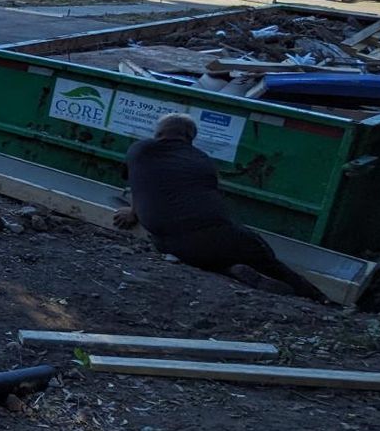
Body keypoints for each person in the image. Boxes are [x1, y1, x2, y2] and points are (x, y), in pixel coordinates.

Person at [117, 113, 323, 299]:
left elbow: (137, 182)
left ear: (159, 133)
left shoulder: (139, 150)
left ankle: (229, 270)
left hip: (165, 241)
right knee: (260, 253)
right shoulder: (203, 160)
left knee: (205, 252)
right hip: (215, 236)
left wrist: (132, 212)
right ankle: (316, 296)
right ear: (191, 138)